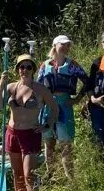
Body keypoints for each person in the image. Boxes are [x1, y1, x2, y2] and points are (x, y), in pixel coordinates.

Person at [0, 53, 59, 191]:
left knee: (29, 174)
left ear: (33, 70)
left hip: (30, 134)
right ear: (18, 70)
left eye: (29, 67)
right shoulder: (11, 87)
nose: (25, 70)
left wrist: (47, 125)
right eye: (22, 67)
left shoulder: (40, 89)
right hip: (12, 133)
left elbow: (54, 108)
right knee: (17, 173)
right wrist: (1, 85)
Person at [36, 34, 88, 178]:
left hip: (64, 105)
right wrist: (39, 103)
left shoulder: (72, 65)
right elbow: (38, 86)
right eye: (62, 44)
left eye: (67, 45)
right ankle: (50, 174)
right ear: (55, 46)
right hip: (47, 107)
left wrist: (77, 99)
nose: (65, 47)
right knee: (48, 142)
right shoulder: (45, 65)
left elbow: (87, 81)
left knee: (66, 144)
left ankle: (70, 178)